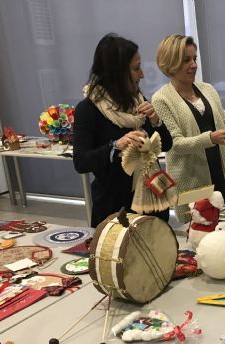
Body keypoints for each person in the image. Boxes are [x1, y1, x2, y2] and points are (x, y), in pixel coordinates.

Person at [73, 33, 173, 227]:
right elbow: (81, 161)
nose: (142, 74)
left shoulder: (137, 100)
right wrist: (116, 145)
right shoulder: (88, 109)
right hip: (115, 211)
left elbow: (167, 144)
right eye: (136, 68)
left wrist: (155, 120)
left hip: (152, 203)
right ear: (116, 73)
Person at [152, 34, 225, 222]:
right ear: (170, 63)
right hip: (191, 185)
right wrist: (211, 139)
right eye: (186, 60)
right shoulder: (161, 99)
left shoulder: (208, 89)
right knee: (199, 239)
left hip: (221, 175)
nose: (194, 65)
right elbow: (174, 144)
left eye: (194, 58)